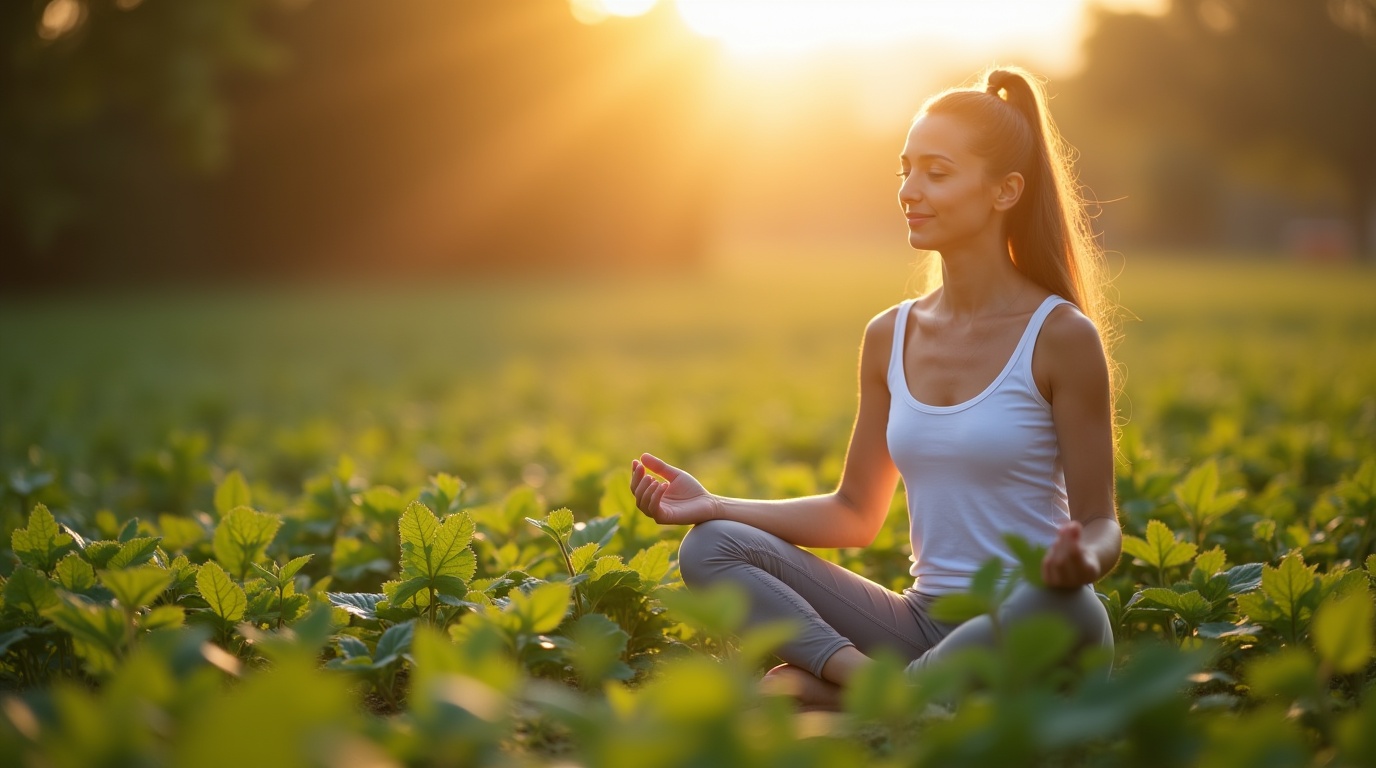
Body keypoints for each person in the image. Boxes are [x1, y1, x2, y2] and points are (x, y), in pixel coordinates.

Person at [629, 66, 1120, 709]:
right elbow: (855, 513)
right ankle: (882, 688)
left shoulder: (1060, 335)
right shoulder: (889, 335)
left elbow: (1100, 523)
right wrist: (715, 504)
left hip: (1031, 622)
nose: (911, 191)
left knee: (1070, 606)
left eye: (936, 173)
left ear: (1005, 191)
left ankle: (865, 699)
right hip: (920, 624)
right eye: (905, 170)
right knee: (712, 548)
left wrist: (1081, 560)